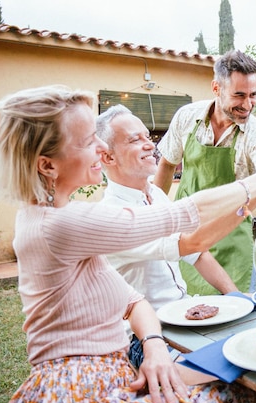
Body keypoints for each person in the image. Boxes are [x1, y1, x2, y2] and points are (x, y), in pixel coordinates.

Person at [0, 85, 256, 403]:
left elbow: (133, 300)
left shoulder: (55, 218)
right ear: (48, 166)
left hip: (119, 365)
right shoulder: (64, 224)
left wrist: (153, 344)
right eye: (88, 140)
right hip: (78, 387)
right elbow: (186, 217)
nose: (101, 147)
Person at [153, 50, 256, 295]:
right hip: (185, 238)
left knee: (237, 313)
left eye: (253, 95)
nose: (248, 104)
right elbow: (167, 164)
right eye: (239, 95)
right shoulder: (187, 117)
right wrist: (156, 217)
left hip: (231, 240)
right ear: (216, 88)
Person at [96, 104, 238, 312]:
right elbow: (191, 243)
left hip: (181, 312)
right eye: (136, 140)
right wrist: (253, 190)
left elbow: (198, 252)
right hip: (146, 334)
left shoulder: (156, 194)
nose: (150, 145)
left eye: (147, 137)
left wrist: (235, 296)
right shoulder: (112, 216)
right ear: (108, 157)